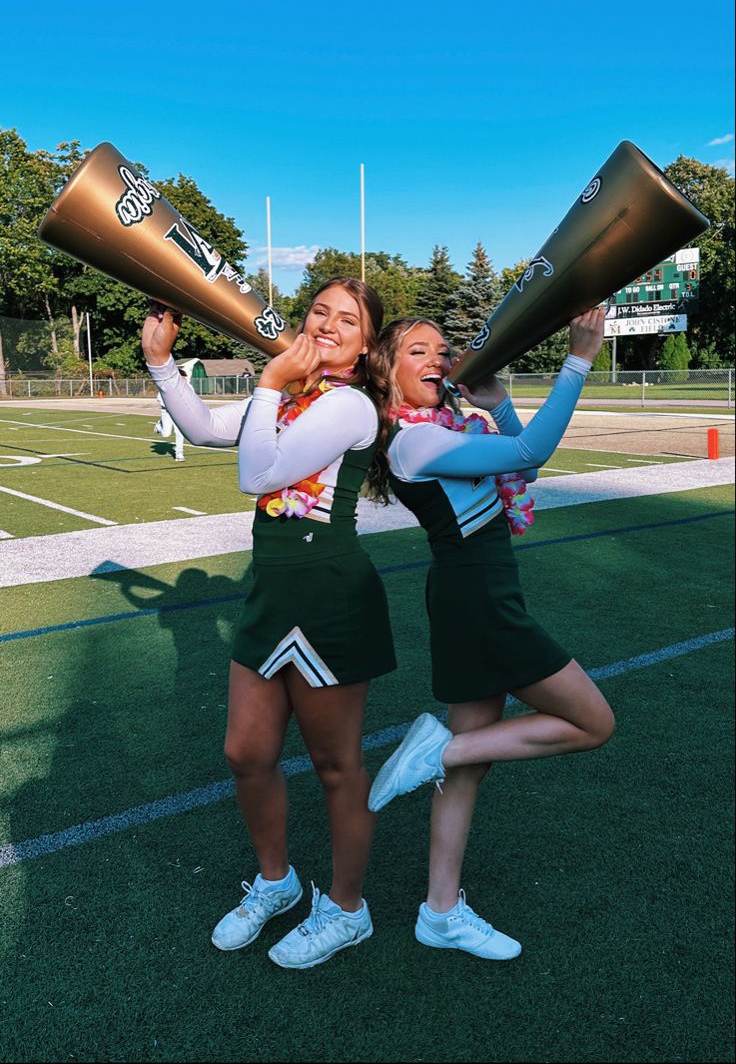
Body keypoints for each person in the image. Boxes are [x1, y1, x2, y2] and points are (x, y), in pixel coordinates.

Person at [141, 279, 396, 969]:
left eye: (349, 320)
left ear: (367, 343)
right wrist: (162, 362)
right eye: (319, 311)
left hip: (330, 598)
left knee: (336, 766)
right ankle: (277, 884)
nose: (328, 325)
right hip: (272, 596)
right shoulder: (293, 394)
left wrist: (267, 385)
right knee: (246, 753)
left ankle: (348, 909)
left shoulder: (347, 405)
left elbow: (256, 476)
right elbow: (202, 431)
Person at [368, 308, 614, 960]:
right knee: (593, 723)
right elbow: (537, 452)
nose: (435, 359)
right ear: (386, 371)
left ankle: (439, 912)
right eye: (415, 351)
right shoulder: (414, 442)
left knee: (473, 760)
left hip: (471, 595)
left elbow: (521, 469)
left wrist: (501, 403)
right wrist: (579, 359)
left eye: (440, 350)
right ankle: (434, 753)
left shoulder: (445, 430)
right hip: (478, 601)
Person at [154, 369, 189, 461]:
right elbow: (159, 399)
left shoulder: (187, 386)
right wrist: (171, 405)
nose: (183, 380)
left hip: (179, 412)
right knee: (166, 434)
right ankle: (159, 425)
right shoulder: (166, 385)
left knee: (180, 433)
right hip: (167, 411)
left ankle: (179, 454)